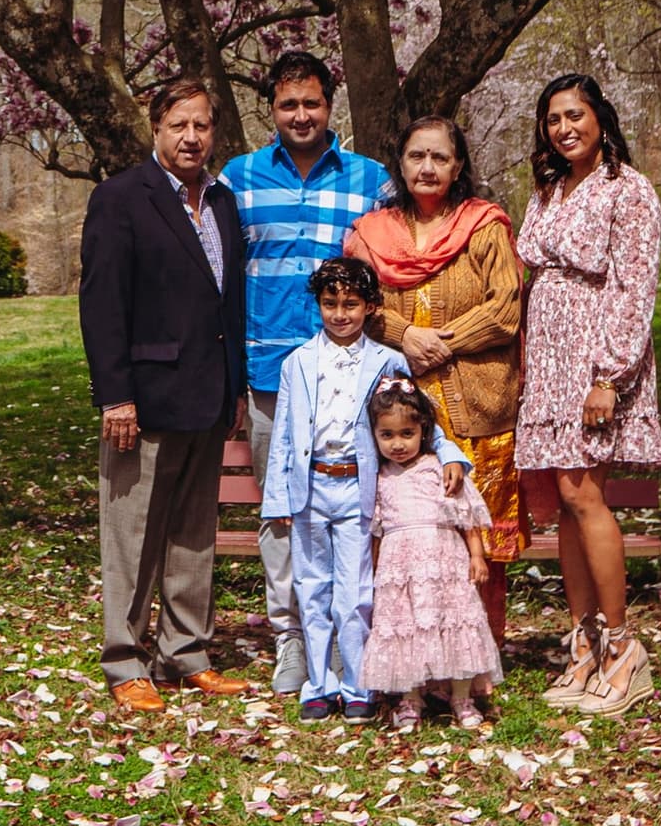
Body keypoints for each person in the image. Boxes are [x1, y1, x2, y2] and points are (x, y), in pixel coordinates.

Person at [79, 75, 253, 714]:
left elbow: (225, 301)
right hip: (142, 401)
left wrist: (233, 384)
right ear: (156, 127)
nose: (191, 136)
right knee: (132, 534)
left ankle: (186, 653)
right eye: (179, 124)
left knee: (193, 532)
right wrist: (115, 396)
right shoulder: (121, 198)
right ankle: (125, 659)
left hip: (207, 395)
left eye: (202, 125)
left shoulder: (224, 203)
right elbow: (101, 305)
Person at [221, 51, 393, 692]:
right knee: (282, 511)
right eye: (289, 104)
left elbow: (394, 267)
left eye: (312, 104)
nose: (301, 115)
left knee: (358, 511)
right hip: (269, 372)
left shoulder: (370, 179)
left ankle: (353, 636)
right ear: (272, 108)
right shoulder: (237, 180)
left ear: (330, 106)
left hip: (351, 374)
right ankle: (291, 639)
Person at [515, 74, 661, 719]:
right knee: (564, 505)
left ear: (600, 118)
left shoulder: (627, 191)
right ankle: (583, 640)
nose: (563, 128)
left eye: (574, 115)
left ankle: (623, 647)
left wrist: (609, 375)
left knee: (585, 493)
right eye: (553, 118)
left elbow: (635, 287)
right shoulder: (548, 191)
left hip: (594, 362)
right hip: (547, 361)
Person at [346, 111, 526, 645]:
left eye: (439, 157)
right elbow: (358, 306)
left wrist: (438, 341)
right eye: (416, 156)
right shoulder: (369, 236)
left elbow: (506, 310)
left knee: (478, 538)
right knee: (411, 539)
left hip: (481, 407)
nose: (427, 167)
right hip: (400, 422)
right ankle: (415, 658)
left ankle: (479, 656)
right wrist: (404, 335)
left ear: (459, 165)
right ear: (399, 164)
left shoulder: (484, 225)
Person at [257, 257, 435, 723]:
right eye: (331, 303)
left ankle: (358, 684)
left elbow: (415, 421)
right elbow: (284, 436)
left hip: (358, 487)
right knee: (312, 587)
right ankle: (319, 684)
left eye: (351, 304)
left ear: (369, 307)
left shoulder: (388, 362)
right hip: (310, 487)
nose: (340, 314)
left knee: (356, 591)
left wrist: (448, 456)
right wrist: (278, 497)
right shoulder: (298, 363)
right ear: (318, 305)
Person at [361, 381, 505, 733]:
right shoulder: (378, 476)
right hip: (402, 569)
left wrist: (477, 556)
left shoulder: (438, 467)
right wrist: (377, 569)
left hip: (445, 563)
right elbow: (377, 531)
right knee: (406, 627)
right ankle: (411, 697)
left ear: (424, 430)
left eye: (407, 433)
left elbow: (465, 517)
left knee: (455, 624)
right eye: (387, 435)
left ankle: (461, 696)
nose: (397, 444)